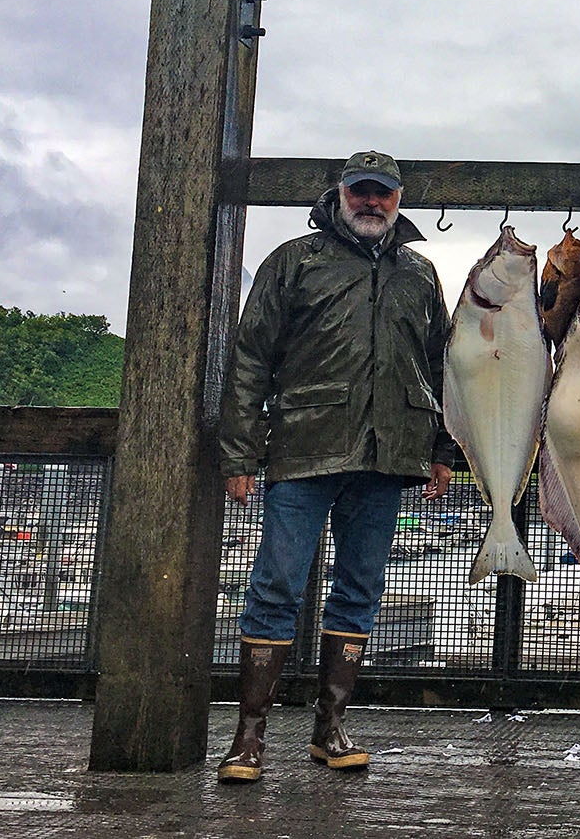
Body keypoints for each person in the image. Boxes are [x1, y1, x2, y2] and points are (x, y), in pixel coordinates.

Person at [215, 150, 454, 783]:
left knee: (359, 593)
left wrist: (441, 452)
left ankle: (330, 728)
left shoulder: (422, 273)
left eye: (384, 194)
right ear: (340, 194)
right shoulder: (294, 261)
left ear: (400, 201)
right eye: (361, 191)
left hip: (386, 459)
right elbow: (249, 360)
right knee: (276, 587)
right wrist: (239, 451)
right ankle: (248, 738)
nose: (372, 203)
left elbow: (441, 370)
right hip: (302, 451)